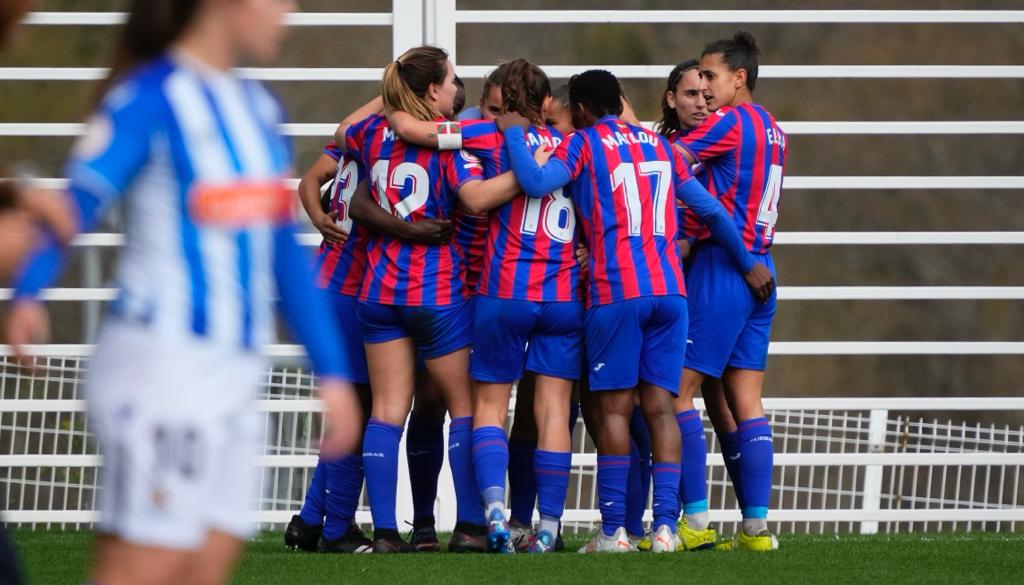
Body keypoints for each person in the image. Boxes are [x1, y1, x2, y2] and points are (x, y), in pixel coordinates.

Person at [3, 1, 363, 584]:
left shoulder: (256, 107)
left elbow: (283, 260)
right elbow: (76, 203)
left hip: (233, 377)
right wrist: (26, 294)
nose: (288, 11)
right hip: (162, 367)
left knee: (202, 569)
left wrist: (331, 373)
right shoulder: (150, 97)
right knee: (144, 568)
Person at [498, 69, 772, 553]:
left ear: (581, 110)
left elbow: (538, 181)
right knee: (661, 406)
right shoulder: (660, 144)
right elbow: (709, 210)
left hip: (617, 291)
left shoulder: (584, 143)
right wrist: (748, 262)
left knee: (613, 410)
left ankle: (613, 532)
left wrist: (516, 133)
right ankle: (666, 528)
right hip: (671, 292)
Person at [344, 45, 522, 554]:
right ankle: (468, 527)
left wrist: (389, 101)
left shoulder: (370, 133)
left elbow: (340, 134)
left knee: (386, 412)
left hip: (378, 293)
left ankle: (384, 534)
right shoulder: (448, 149)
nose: (456, 90)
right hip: (437, 294)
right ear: (432, 92)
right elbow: (474, 199)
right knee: (465, 409)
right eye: (450, 82)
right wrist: (536, 170)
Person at [674, 31, 787, 552]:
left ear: (738, 78)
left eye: (710, 76)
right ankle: (757, 528)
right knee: (747, 399)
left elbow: (665, 161)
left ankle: (694, 521)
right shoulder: (772, 126)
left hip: (726, 267)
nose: (704, 86)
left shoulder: (729, 122)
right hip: (763, 267)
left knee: (677, 390)